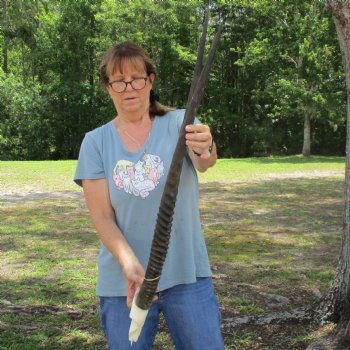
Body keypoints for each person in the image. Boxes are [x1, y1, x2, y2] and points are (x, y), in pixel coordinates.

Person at [74, 42, 224, 350]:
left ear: (150, 80)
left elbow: (205, 163)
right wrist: (129, 263)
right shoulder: (95, 143)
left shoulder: (182, 123)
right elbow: (102, 217)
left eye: (137, 78)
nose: (129, 87)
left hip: (186, 275)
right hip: (123, 284)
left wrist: (206, 146)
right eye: (119, 80)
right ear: (108, 87)